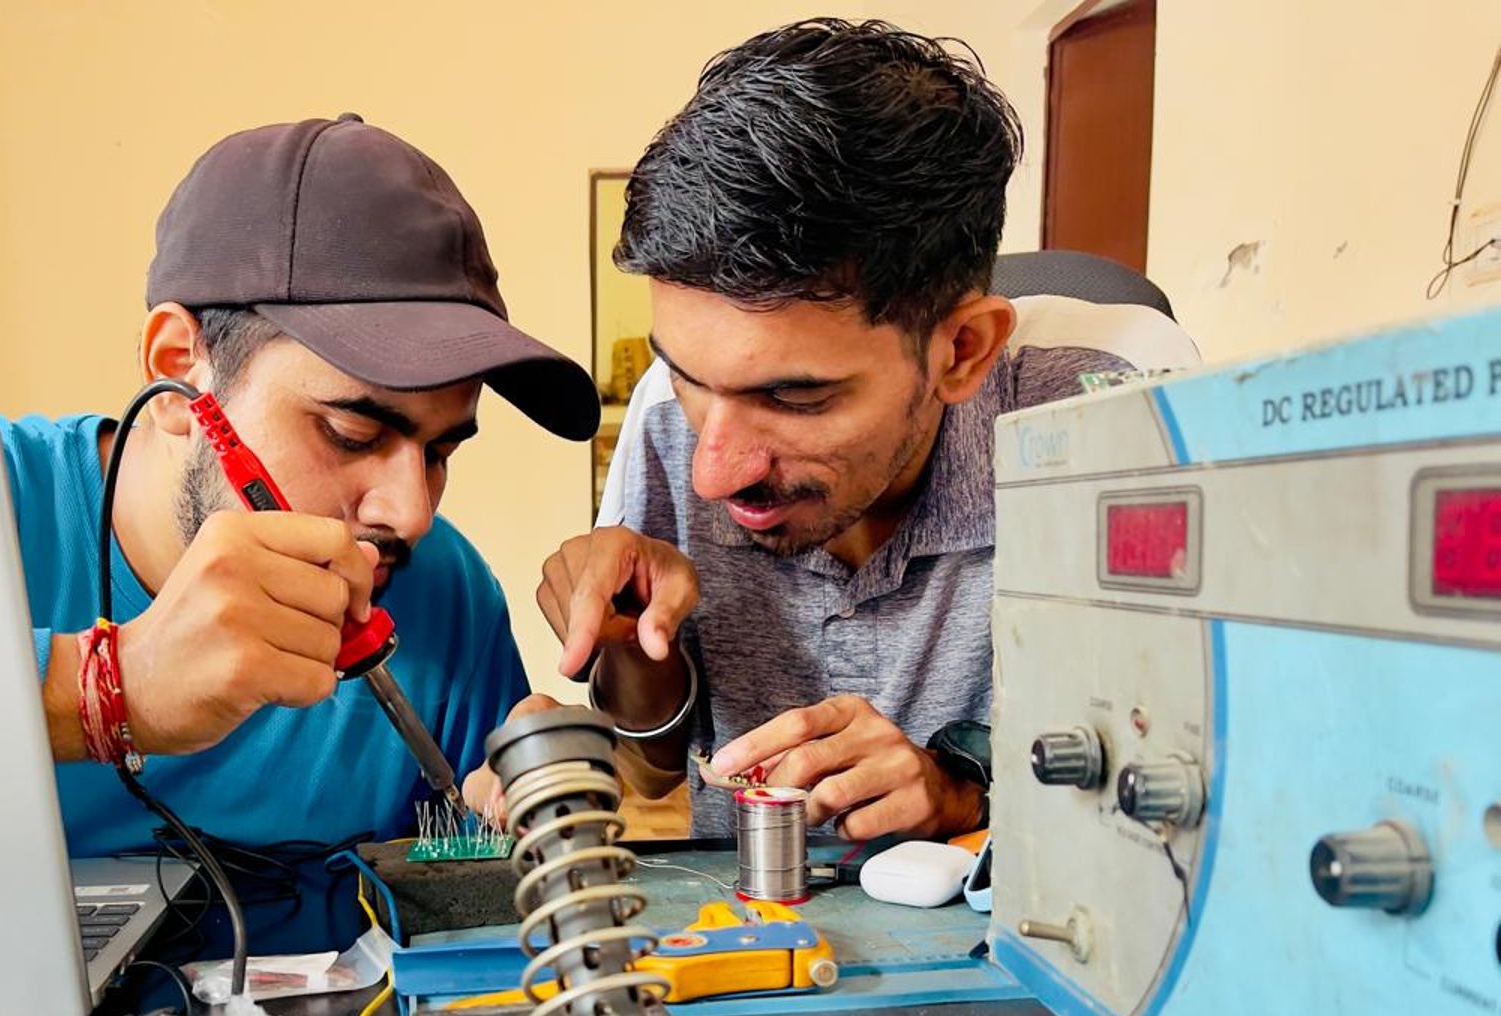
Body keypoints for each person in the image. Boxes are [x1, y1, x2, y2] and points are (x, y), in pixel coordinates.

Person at [503, 19, 1196, 841]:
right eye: (688, 374)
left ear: (962, 351)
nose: (713, 474)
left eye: (794, 396)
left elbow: (1183, 779)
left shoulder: (1102, 429)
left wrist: (963, 792)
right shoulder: (667, 427)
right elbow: (651, 769)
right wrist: (635, 653)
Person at [5, 114, 599, 952]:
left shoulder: (446, 590)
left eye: (439, 451)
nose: (411, 513)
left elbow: (483, 901)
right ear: (181, 371)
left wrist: (535, 806)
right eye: (352, 434)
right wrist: (109, 693)